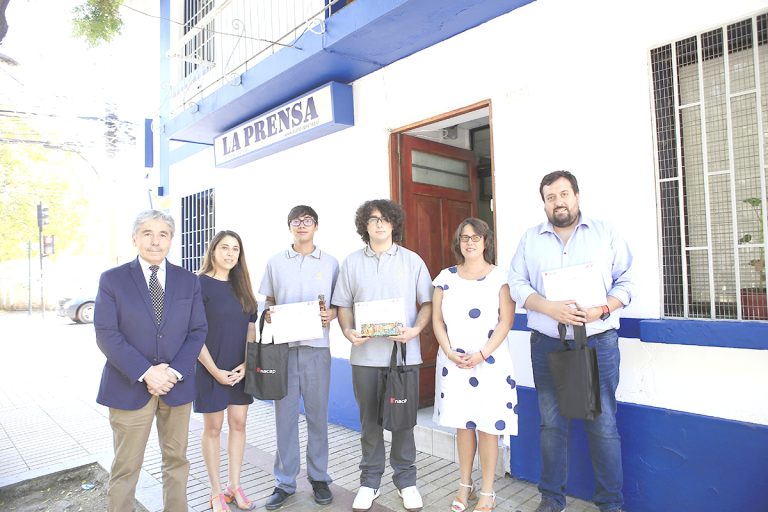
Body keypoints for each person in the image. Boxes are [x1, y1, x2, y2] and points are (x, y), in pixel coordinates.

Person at [508, 170, 634, 512]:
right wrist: (548, 307)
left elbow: (627, 282)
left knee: (603, 424)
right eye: (550, 197)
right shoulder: (530, 239)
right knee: (551, 424)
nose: (558, 202)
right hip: (547, 344)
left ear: (577, 196)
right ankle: (552, 499)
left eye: (564, 194)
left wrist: (601, 310)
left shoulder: (605, 233)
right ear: (544, 204)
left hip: (597, 343)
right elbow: (516, 283)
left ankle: (611, 504)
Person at [94, 210, 208, 512]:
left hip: (176, 386)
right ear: (135, 238)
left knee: (177, 461)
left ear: (171, 240)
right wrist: (146, 372)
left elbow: (198, 331)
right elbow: (106, 333)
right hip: (128, 386)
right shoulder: (113, 280)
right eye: (147, 233)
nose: (155, 241)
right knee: (126, 466)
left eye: (163, 234)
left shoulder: (188, 281)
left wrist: (173, 372)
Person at [332, 199, 433, 512]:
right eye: (373, 219)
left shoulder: (412, 261)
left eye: (385, 219)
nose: (379, 224)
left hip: (403, 357)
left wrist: (415, 330)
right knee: (369, 424)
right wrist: (348, 331)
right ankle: (370, 481)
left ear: (394, 224)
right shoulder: (351, 263)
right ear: (364, 225)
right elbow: (343, 305)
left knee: (403, 423)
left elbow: (428, 303)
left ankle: (406, 481)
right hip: (364, 359)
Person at [432, 218, 516, 512]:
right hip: (454, 363)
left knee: (488, 426)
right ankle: (465, 485)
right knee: (463, 425)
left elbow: (506, 321)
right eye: (464, 237)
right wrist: (449, 351)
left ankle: (488, 491)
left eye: (475, 237)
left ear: (485, 241)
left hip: (490, 363)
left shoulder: (501, 277)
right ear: (459, 242)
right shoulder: (445, 278)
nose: (470, 242)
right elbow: (437, 320)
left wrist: (482, 354)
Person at [259, 205, 340, 510]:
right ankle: (284, 482)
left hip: (317, 349)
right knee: (285, 418)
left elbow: (339, 304)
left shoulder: (330, 263)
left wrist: (331, 314)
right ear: (289, 226)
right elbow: (268, 300)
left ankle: (319, 478)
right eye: (296, 220)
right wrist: (268, 314)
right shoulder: (275, 262)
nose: (302, 225)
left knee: (318, 416)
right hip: (283, 350)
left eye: (307, 220)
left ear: (316, 226)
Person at [194, 230, 259, 511]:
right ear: (213, 251)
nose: (230, 253)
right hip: (209, 366)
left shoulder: (242, 286)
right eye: (224, 247)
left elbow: (251, 327)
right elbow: (194, 334)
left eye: (235, 249)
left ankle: (235, 486)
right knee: (213, 427)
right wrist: (214, 371)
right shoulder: (199, 285)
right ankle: (216, 491)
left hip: (239, 368)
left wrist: (247, 362)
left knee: (238, 424)